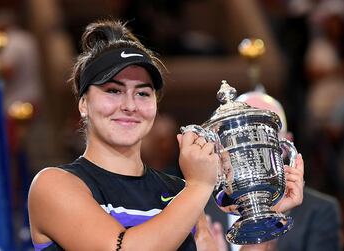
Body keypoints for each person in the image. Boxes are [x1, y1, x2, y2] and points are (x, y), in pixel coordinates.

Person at [28, 20, 304, 251]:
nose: (129, 105)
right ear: (83, 104)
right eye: (113, 90)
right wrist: (198, 186)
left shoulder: (179, 194)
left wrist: (266, 215)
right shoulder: (54, 185)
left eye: (142, 93)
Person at [205, 90, 342, 251]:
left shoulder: (320, 211)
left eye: (265, 133)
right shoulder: (199, 210)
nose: (251, 145)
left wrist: (271, 214)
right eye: (241, 134)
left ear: (285, 143)